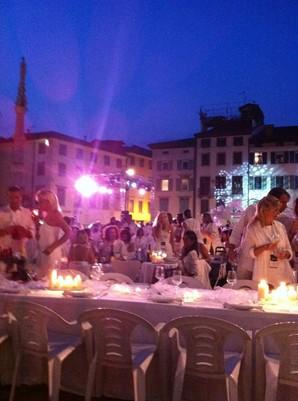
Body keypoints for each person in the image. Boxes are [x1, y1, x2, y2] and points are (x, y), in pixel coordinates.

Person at [228, 187, 291, 278]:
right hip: (248, 261)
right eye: (283, 202)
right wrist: (231, 248)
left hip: (267, 264)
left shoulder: (280, 219)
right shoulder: (251, 210)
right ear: (272, 199)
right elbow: (237, 230)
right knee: (245, 286)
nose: (285, 206)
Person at [241, 195, 294, 287]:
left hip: (282, 270)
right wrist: (265, 247)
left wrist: (286, 254)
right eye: (275, 210)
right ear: (264, 211)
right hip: (264, 270)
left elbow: (289, 249)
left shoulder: (280, 226)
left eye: (278, 210)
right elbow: (248, 253)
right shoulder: (253, 228)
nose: (278, 213)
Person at [36, 189, 71, 277]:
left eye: (40, 201)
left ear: (49, 202)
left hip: (51, 252)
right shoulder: (45, 214)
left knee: (49, 279)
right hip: (43, 251)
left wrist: (52, 247)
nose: (38, 204)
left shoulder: (56, 215)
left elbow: (68, 232)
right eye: (38, 201)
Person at [0, 186, 35, 260]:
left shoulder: (27, 213)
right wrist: (5, 231)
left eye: (16, 197)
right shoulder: (1, 212)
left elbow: (32, 232)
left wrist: (24, 231)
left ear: (21, 197)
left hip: (21, 253)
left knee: (19, 270)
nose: (14, 200)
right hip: (4, 253)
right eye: (11, 197)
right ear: (8, 197)